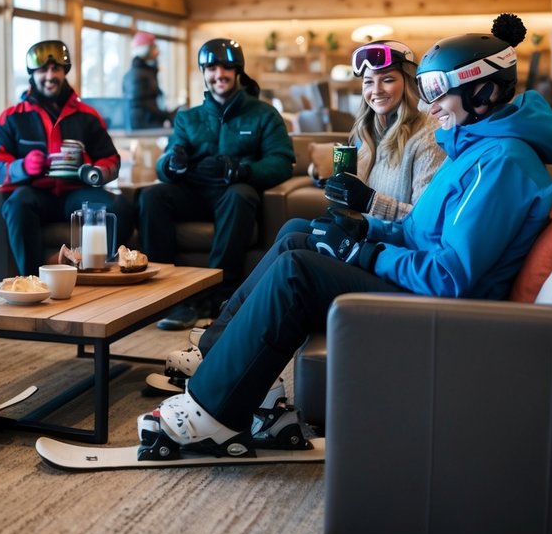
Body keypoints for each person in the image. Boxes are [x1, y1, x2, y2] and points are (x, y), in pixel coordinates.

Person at [136, 14, 552, 459]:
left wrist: (364, 252)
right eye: (426, 90)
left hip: (447, 308)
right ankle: (231, 369)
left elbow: (450, 276)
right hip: (421, 282)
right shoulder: (475, 150)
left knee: (296, 272)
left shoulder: (501, 163)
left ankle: (213, 413)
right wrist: (364, 228)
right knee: (299, 237)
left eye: (438, 90)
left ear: (484, 91)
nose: (430, 104)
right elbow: (421, 230)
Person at [162, 39, 443, 384]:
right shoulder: (368, 131)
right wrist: (338, 190)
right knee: (294, 227)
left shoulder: (427, 138)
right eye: (368, 82)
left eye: (387, 79)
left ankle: (214, 346)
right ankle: (219, 339)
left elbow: (423, 223)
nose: (376, 90)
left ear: (408, 82)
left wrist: (368, 201)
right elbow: (357, 198)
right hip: (367, 239)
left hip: (390, 257)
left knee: (293, 249)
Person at [138, 38, 295, 330]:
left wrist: (245, 171)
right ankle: (170, 299)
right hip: (194, 194)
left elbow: (282, 161)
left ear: (238, 71)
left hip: (234, 194)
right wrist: (172, 163)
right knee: (153, 196)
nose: (218, 74)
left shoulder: (264, 115)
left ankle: (217, 297)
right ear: (204, 72)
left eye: (225, 67)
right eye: (211, 67)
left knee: (240, 195)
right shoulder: (188, 117)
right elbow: (163, 165)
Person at [0, 39, 134, 276]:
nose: (50, 75)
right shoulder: (13, 117)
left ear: (65, 72)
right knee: (16, 204)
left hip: (76, 193)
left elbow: (111, 160)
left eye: (57, 69)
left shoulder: (87, 116)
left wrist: (95, 173)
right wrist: (22, 167)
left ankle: (88, 268)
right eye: (43, 70)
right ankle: (32, 280)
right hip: (35, 194)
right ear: (32, 74)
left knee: (119, 207)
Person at [122, 31, 174, 130]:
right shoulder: (138, 74)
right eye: (153, 47)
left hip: (148, 125)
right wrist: (167, 116)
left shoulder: (145, 72)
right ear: (146, 50)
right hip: (144, 128)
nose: (156, 52)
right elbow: (145, 104)